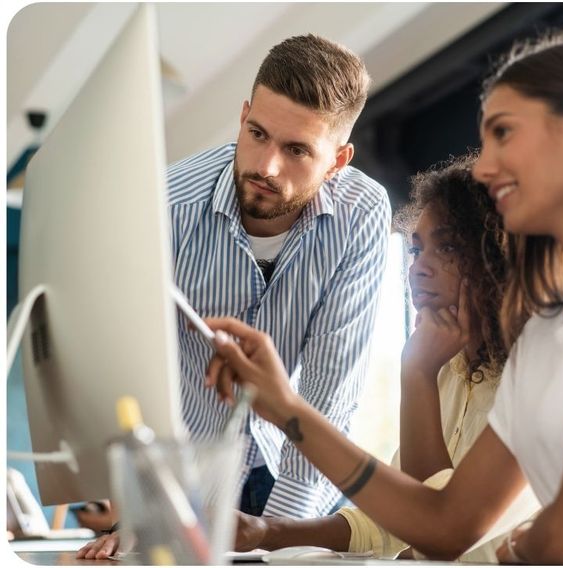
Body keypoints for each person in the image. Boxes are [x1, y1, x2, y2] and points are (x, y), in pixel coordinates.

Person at [203, 26, 563, 565]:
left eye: (504, 133)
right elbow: (447, 524)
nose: (483, 167)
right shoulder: (549, 335)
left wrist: (526, 547)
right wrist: (285, 407)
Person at [77, 33, 390, 560]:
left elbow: (329, 394)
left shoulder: (363, 215)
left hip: (290, 473)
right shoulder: (166, 210)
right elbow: (125, 380)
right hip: (179, 484)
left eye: (296, 150)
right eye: (257, 133)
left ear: (338, 160)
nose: (266, 166)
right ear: (243, 114)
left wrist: (276, 546)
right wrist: (145, 518)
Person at [231, 157, 540, 561]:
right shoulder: (450, 366)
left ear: (499, 253)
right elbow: (396, 520)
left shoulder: (535, 377)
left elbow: (434, 528)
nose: (417, 270)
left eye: (446, 246)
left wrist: (416, 374)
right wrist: (266, 532)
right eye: (416, 250)